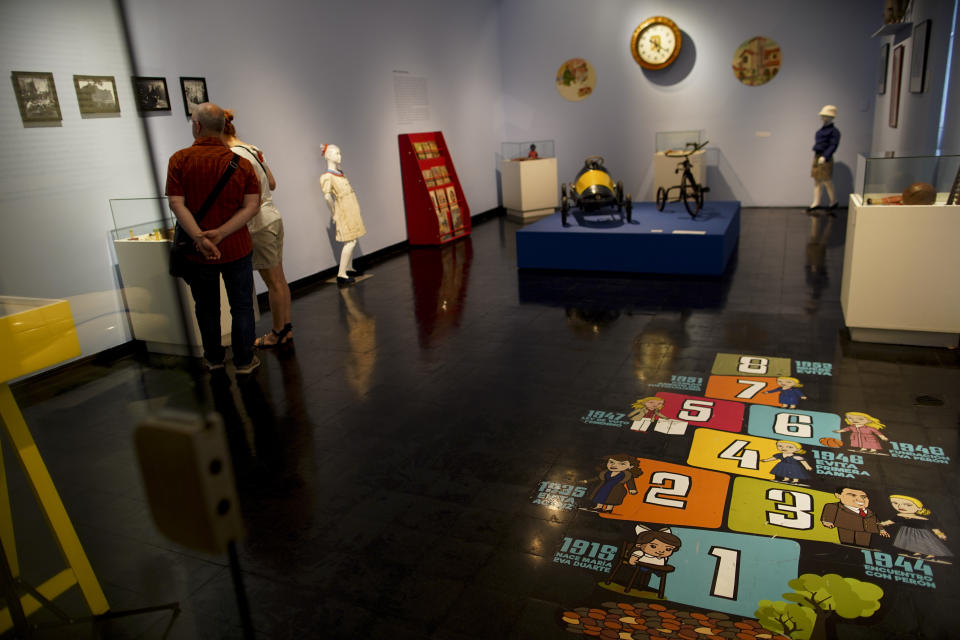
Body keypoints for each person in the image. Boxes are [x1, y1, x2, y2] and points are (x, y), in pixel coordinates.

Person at [165, 102, 261, 374]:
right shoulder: (241, 163)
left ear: (196, 126)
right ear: (222, 128)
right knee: (241, 305)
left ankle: (214, 359)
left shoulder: (179, 160)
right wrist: (220, 233)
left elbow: (176, 203)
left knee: (206, 307)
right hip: (236, 247)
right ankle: (244, 361)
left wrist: (200, 237)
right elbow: (252, 205)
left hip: (197, 252)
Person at [221, 109, 293, 347]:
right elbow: (271, 183)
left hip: (258, 223)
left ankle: (277, 332)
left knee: (273, 282)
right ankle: (285, 329)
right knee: (279, 280)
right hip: (273, 216)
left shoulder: (233, 156)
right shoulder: (253, 149)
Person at [319, 144, 367, 287]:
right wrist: (334, 212)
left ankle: (348, 267)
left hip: (350, 207)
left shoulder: (339, 173)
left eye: (340, 153)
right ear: (328, 156)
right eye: (336, 153)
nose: (340, 156)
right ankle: (341, 274)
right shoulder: (327, 176)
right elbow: (327, 196)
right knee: (350, 241)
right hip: (344, 209)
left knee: (353, 237)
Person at [879, 494, 952, 562]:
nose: (900, 506)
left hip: (921, 534)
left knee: (925, 544)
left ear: (919, 508)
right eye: (895, 503)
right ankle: (918, 553)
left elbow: (933, 527)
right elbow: (891, 521)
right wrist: (882, 523)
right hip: (907, 532)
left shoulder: (922, 518)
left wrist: (940, 534)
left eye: (908, 505)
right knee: (913, 543)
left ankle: (931, 555)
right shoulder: (900, 515)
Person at [820, 486, 890, 547]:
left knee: (864, 545)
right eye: (853, 495)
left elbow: (875, 520)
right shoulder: (834, 506)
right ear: (838, 495)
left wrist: (881, 529)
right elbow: (829, 513)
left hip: (866, 531)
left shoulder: (870, 512)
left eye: (863, 497)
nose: (860, 500)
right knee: (847, 543)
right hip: (847, 528)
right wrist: (827, 521)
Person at [808, 105, 840, 212]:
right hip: (817, 156)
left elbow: (833, 145)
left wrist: (825, 156)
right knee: (817, 180)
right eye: (822, 116)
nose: (822, 118)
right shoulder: (822, 130)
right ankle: (816, 202)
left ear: (831, 117)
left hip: (825, 157)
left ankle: (834, 201)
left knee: (826, 180)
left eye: (825, 116)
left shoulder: (834, 132)